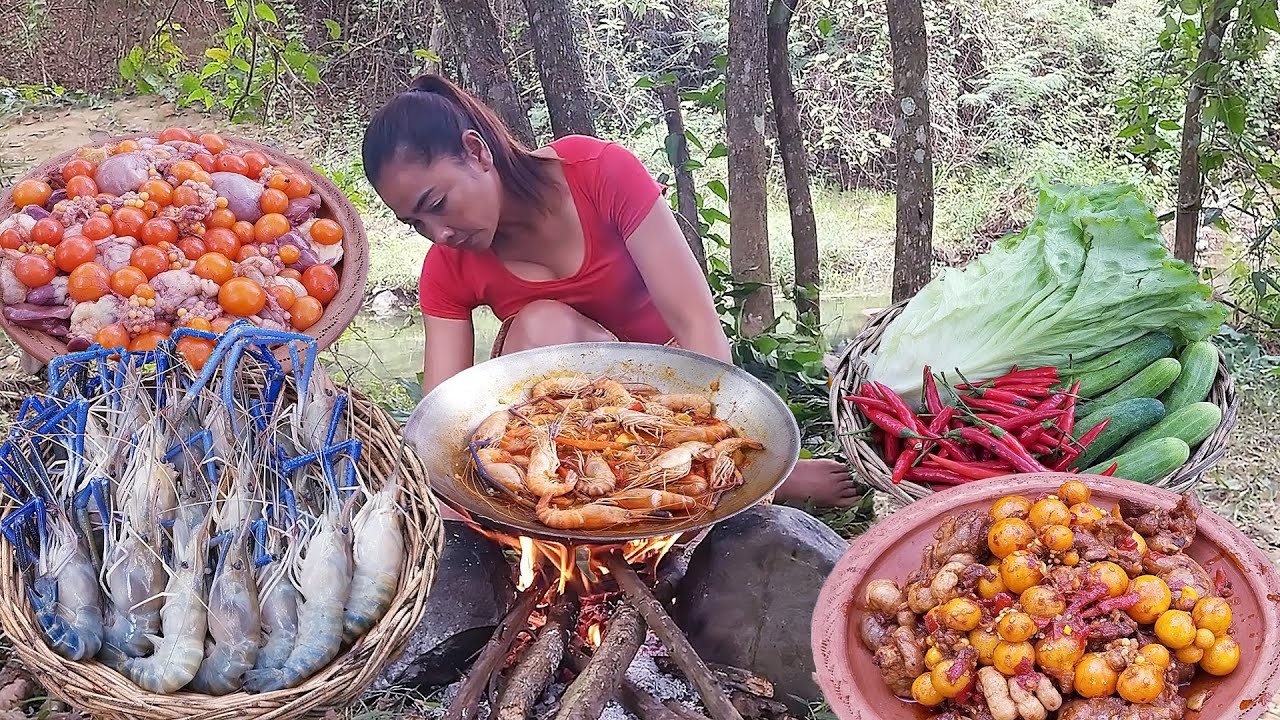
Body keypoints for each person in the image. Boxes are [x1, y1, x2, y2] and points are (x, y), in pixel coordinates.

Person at [361, 74, 859, 509]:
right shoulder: (447, 266)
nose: (438, 232)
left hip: (669, 391)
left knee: (546, 321)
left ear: (476, 152)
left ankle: (745, 469)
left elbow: (695, 321)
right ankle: (578, 496)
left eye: (438, 204)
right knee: (541, 324)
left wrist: (738, 452)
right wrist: (448, 513)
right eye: (416, 223)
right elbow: (439, 418)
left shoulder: (599, 173)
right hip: (567, 429)